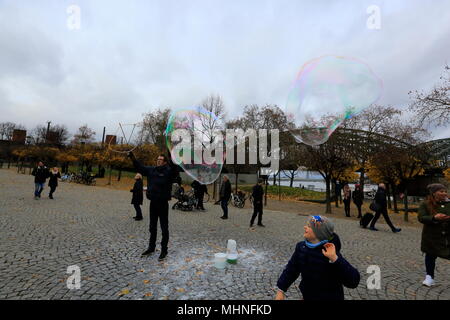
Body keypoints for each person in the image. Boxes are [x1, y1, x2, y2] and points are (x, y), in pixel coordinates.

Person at [275, 215, 360, 300]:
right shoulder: (301, 247)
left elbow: (353, 281)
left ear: (319, 232)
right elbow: (291, 269)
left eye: (309, 226)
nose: (305, 227)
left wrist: (335, 259)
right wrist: (281, 290)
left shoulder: (330, 252)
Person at [128, 152, 178, 261]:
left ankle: (164, 250)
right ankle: (151, 247)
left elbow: (175, 170)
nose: (158, 160)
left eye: (160, 159)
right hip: (153, 203)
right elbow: (140, 167)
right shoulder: (152, 170)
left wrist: (171, 157)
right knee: (152, 227)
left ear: (165, 162)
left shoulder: (169, 171)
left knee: (164, 228)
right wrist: (133, 158)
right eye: (158, 159)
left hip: (163, 203)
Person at [417, 183, 450, 287]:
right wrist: (434, 218)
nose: (444, 193)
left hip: (447, 235)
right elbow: (421, 217)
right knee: (430, 255)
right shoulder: (425, 204)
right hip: (431, 235)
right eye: (441, 191)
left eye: (445, 191)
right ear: (434, 193)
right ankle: (429, 277)